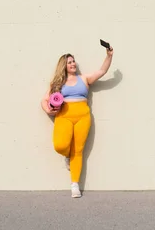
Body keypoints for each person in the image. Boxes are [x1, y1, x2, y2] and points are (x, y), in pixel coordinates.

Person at [41, 46, 114, 198]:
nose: (73, 64)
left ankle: (75, 184)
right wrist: (48, 110)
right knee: (60, 145)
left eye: (73, 61)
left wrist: (109, 56)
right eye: (69, 62)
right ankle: (67, 156)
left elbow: (102, 71)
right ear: (64, 66)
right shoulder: (57, 83)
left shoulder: (84, 79)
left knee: (78, 150)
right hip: (64, 116)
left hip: (83, 117)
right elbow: (44, 99)